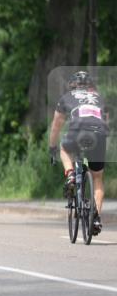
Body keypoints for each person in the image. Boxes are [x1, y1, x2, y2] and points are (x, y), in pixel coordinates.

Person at [49, 71, 108, 235]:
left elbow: (56, 125)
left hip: (77, 132)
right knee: (97, 177)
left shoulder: (67, 97)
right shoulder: (99, 98)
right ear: (90, 85)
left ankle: (70, 175)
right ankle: (96, 218)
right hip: (98, 135)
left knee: (63, 148)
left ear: (73, 85)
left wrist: (52, 147)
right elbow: (105, 121)